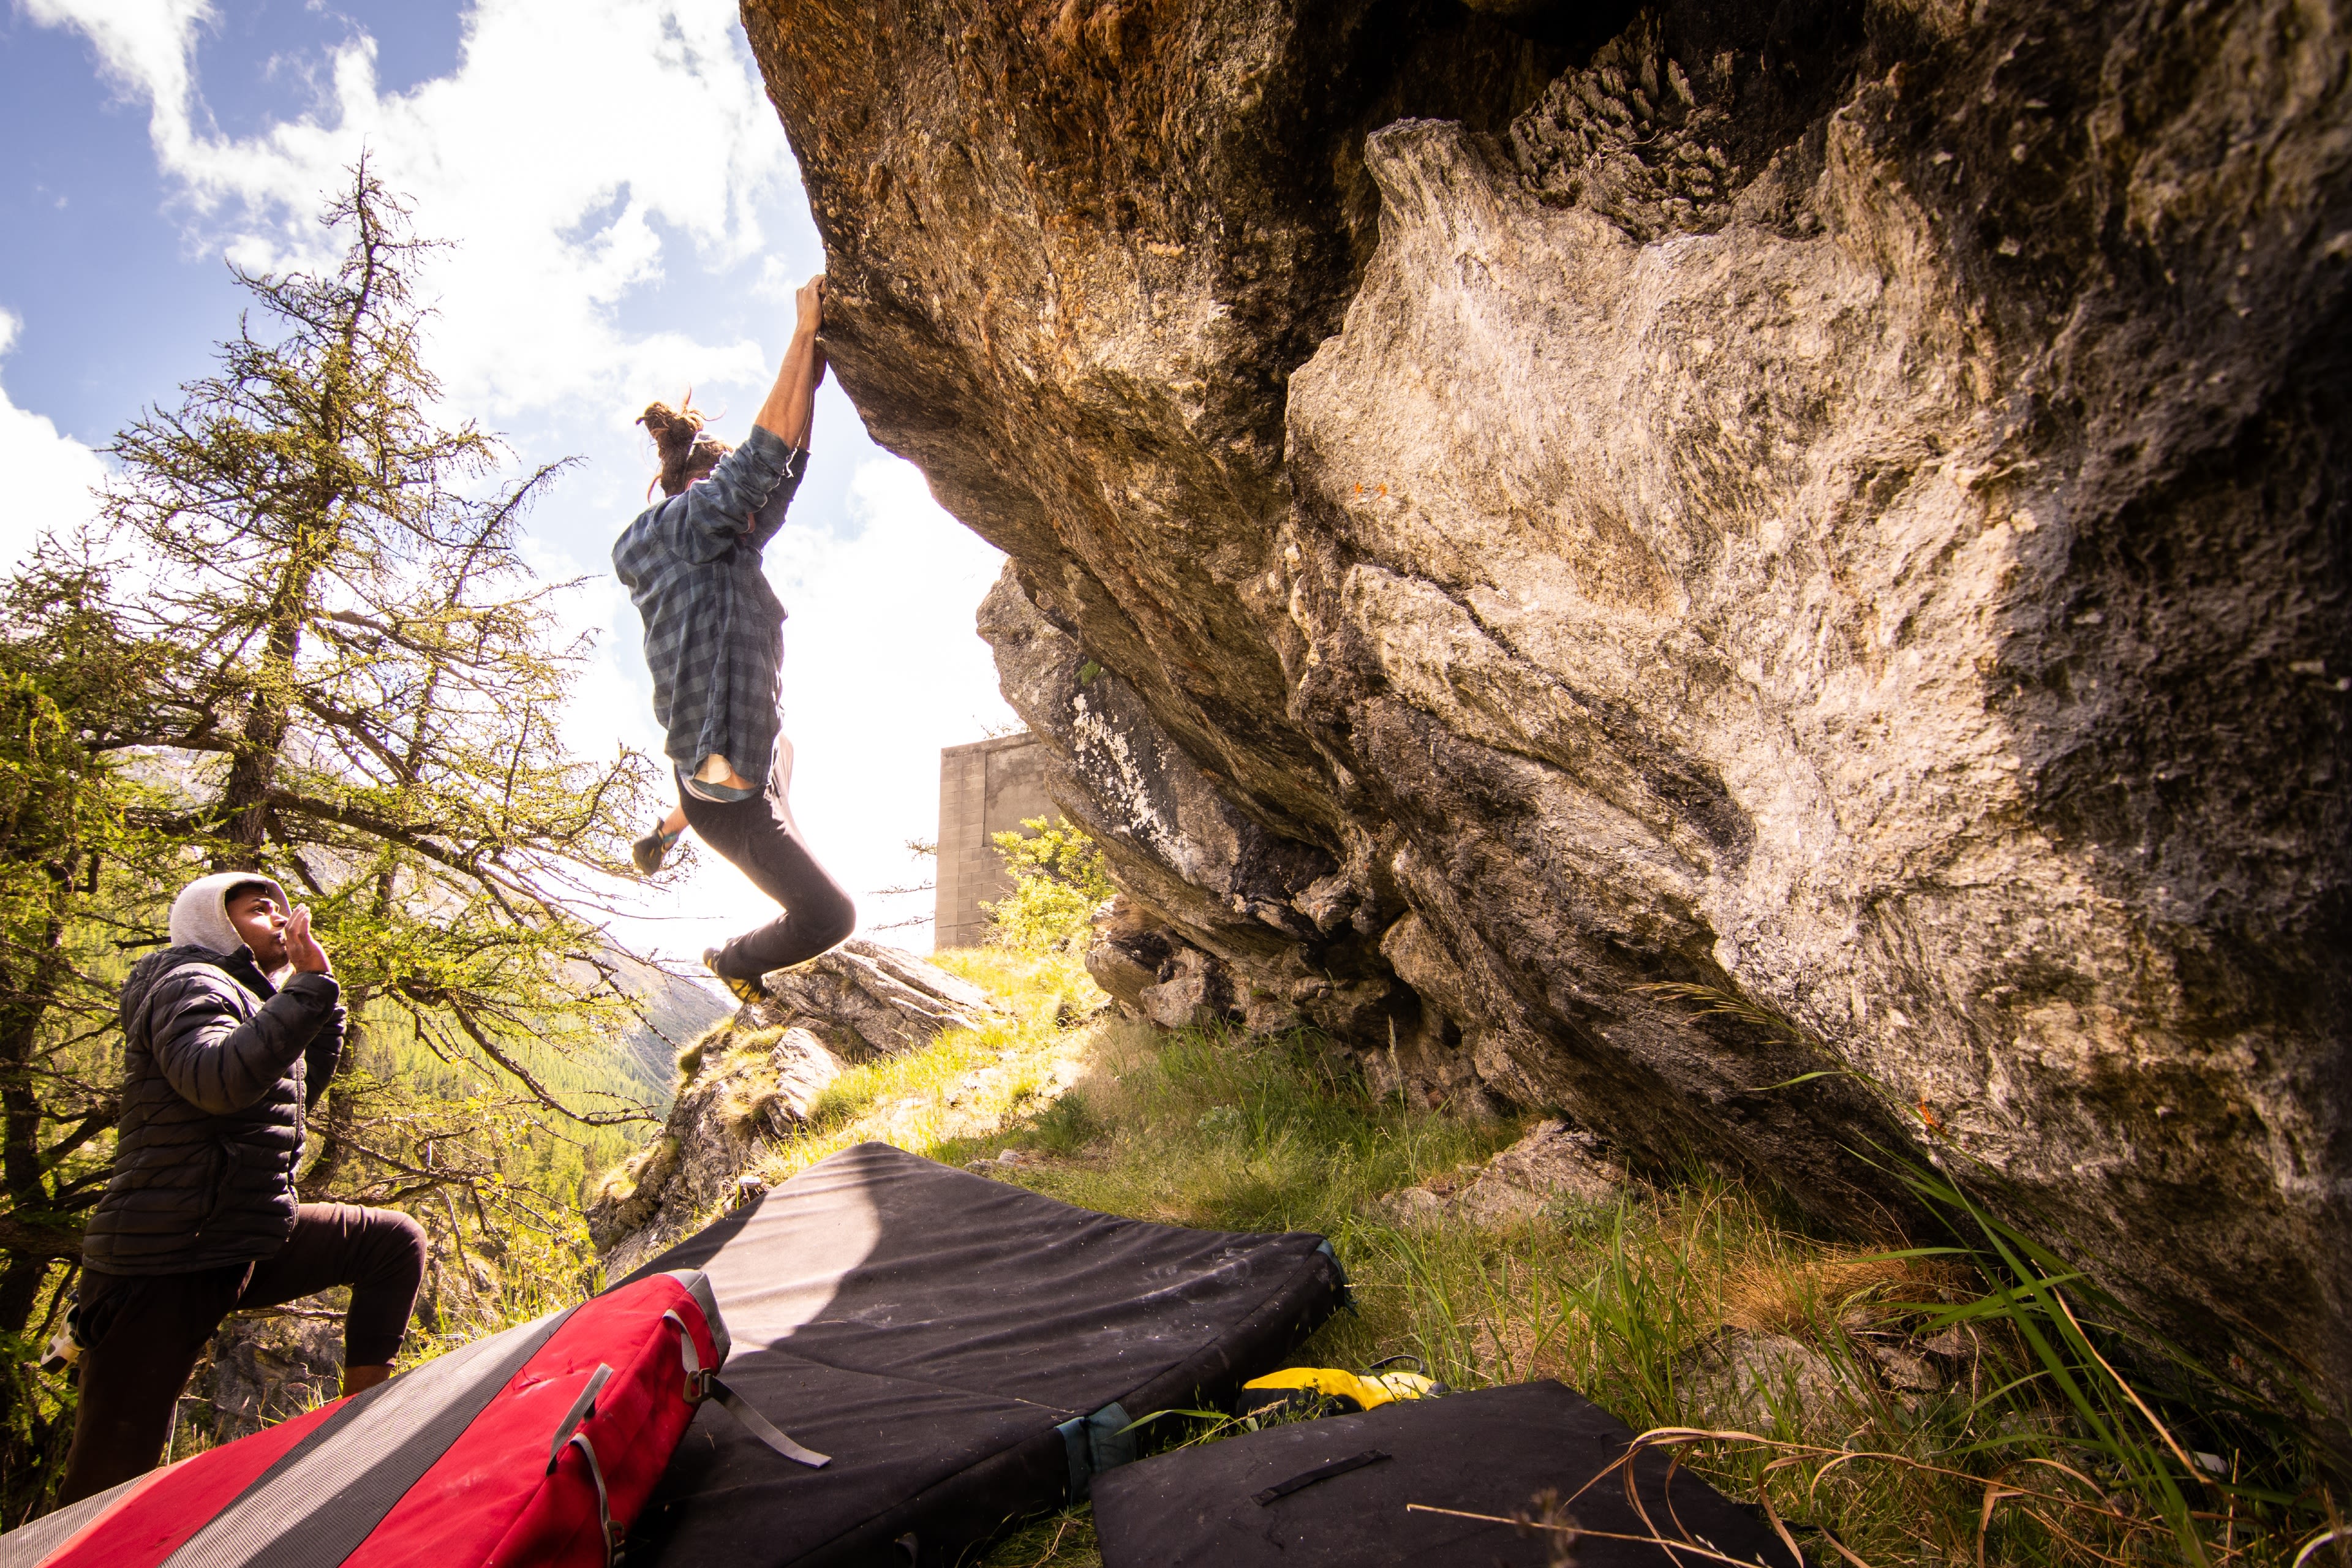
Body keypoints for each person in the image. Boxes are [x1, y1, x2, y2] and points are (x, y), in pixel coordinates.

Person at [57, 873, 428, 1505]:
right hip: (161, 1261)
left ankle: (359, 1426)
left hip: (239, 1237)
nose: (279, 914)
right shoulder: (188, 983)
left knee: (392, 1243)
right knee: (108, 1481)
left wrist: (321, 997)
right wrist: (307, 990)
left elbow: (291, 1089)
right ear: (213, 923)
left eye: (282, 905)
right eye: (258, 908)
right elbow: (216, 1081)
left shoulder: (249, 996)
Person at [613, 273, 856, 1003]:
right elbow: (758, 466)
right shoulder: (679, 528)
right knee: (827, 914)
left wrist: (815, 372)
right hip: (734, 798)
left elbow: (782, 474)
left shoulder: (728, 544)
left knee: (778, 748)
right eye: (731, 497)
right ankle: (733, 961)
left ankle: (666, 826)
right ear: (701, 487)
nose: (753, 513)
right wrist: (802, 333)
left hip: (732, 766)